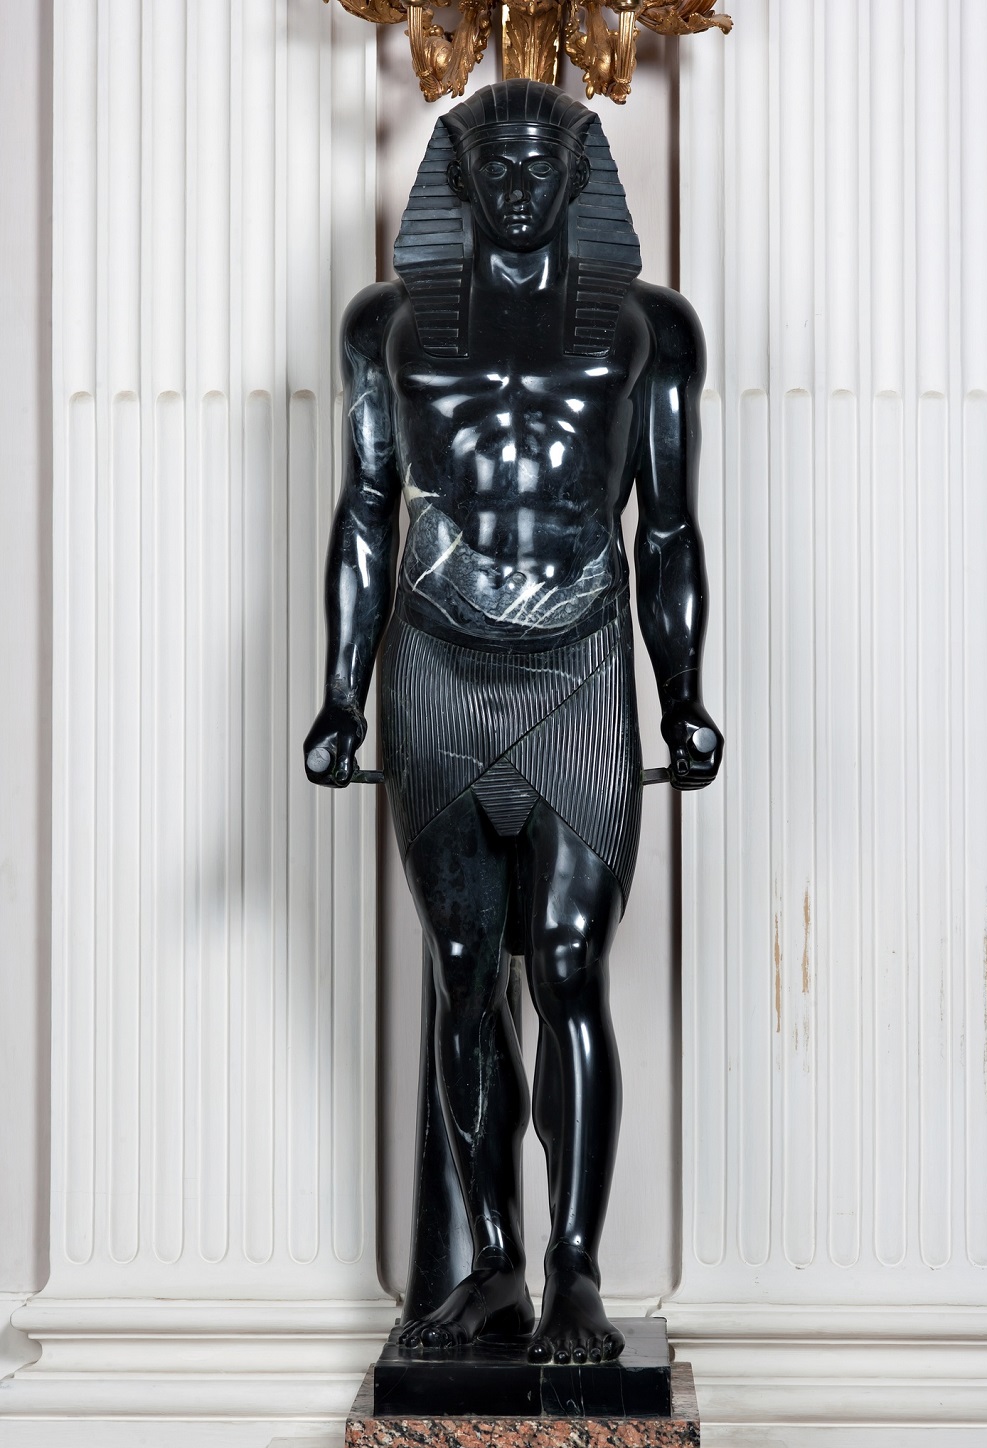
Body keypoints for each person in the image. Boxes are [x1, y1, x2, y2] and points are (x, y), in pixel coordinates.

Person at [304, 80, 722, 1366]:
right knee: (465, 973)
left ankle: (575, 1269)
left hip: (579, 665)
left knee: (570, 968)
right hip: (435, 662)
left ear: (580, 177)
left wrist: (683, 690)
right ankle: (491, 1262)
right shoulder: (386, 325)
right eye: (500, 165)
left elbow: (666, 529)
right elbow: (366, 511)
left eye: (545, 164)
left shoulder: (649, 328)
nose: (522, 186)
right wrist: (339, 689)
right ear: (463, 180)